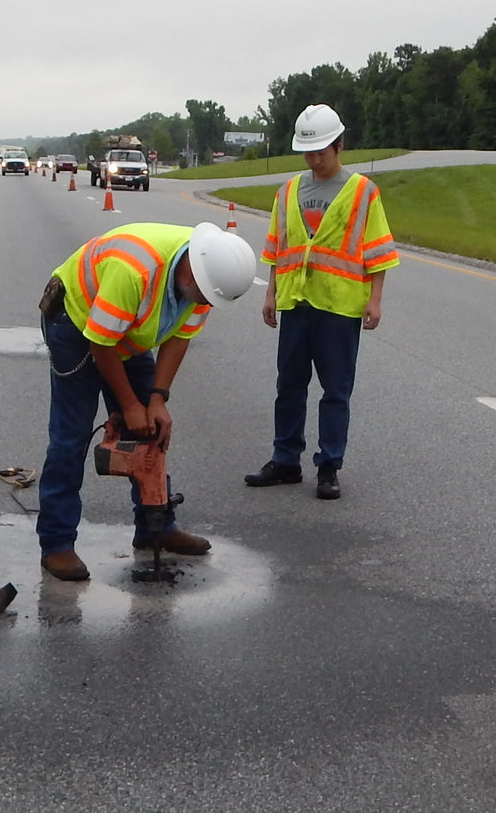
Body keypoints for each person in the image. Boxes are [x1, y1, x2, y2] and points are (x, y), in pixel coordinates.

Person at [37, 221, 258, 581]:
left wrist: (157, 399)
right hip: (75, 321)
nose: (202, 301)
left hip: (125, 329)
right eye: (201, 293)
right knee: (71, 434)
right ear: (191, 268)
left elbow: (179, 337)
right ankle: (57, 544)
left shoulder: (206, 281)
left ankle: (155, 526)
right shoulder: (135, 270)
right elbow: (101, 343)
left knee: (152, 430)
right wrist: (128, 405)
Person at [245, 104, 399, 501]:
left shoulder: (363, 192)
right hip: (296, 303)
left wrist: (375, 300)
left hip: (339, 307)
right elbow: (279, 247)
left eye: (322, 151)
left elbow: (377, 250)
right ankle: (285, 460)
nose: (314, 159)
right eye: (308, 152)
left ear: (339, 145)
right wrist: (270, 293)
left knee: (335, 390)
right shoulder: (289, 191)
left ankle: (329, 464)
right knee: (289, 386)